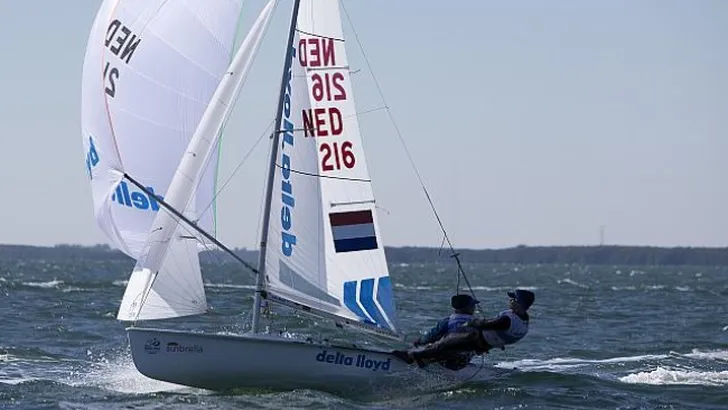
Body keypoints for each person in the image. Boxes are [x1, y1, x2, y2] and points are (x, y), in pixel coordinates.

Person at [393, 289, 535, 369]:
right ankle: (430, 360)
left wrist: (471, 323)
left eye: (513, 299)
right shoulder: (524, 322)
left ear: (519, 303)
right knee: (448, 349)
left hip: (472, 338)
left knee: (444, 343)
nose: (510, 301)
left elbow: (485, 324)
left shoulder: (506, 320)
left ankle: (410, 356)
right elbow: (498, 332)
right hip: (481, 345)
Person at [391, 294, 479, 370]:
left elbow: (430, 336)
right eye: (471, 306)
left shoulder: (448, 321)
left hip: (449, 361)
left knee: (438, 339)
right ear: (464, 308)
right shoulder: (476, 323)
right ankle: (422, 358)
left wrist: (419, 341)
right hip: (462, 362)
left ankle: (412, 356)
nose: (474, 308)